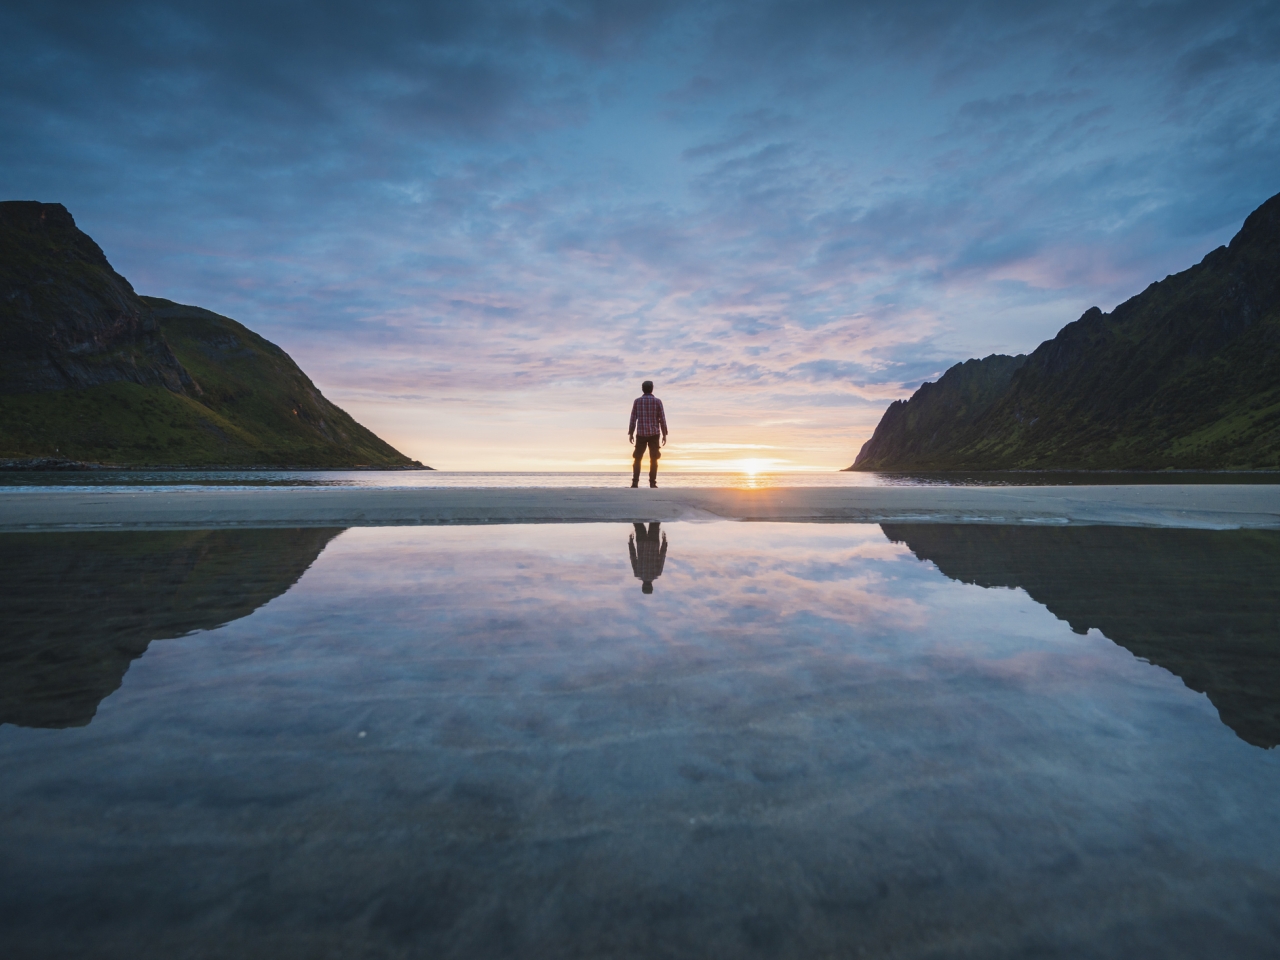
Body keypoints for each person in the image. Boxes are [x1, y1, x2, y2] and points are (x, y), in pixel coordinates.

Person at [627, 380, 668, 488]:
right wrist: (664, 434)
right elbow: (662, 419)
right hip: (654, 434)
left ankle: (635, 482)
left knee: (637, 458)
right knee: (654, 458)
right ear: (652, 389)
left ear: (642, 389)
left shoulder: (637, 401)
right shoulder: (658, 402)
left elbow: (633, 418)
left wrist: (631, 432)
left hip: (641, 433)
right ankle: (652, 483)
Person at [628, 522, 667, 594]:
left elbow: (662, 556)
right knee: (638, 523)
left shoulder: (657, 573)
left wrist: (664, 542)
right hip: (641, 543)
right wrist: (630, 542)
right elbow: (632, 556)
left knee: (654, 522)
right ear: (642, 585)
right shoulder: (637, 573)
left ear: (652, 586)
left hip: (654, 542)